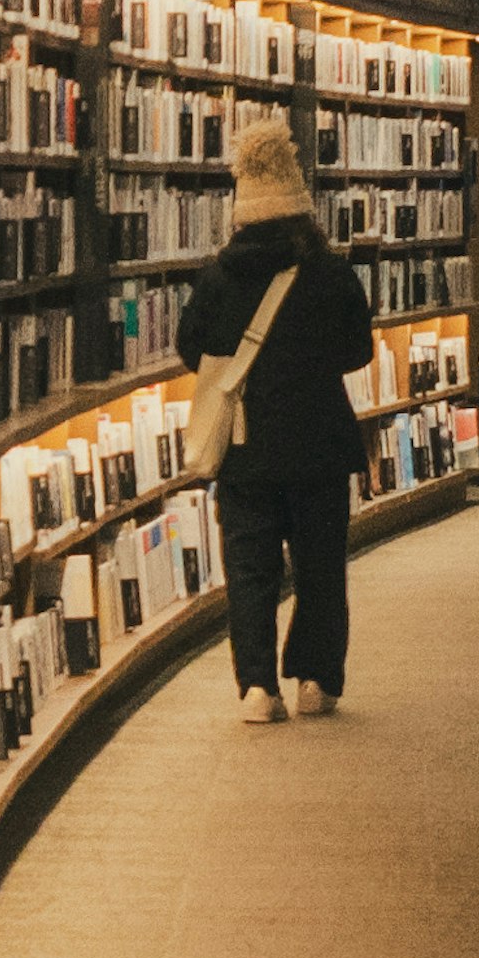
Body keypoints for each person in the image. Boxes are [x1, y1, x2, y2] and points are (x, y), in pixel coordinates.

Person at [177, 112, 379, 724]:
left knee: (250, 567)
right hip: (319, 445)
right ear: (301, 206)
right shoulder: (331, 273)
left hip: (245, 447)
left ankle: (258, 688)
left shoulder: (217, 277)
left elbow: (193, 348)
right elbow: (357, 351)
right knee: (320, 567)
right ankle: (315, 678)